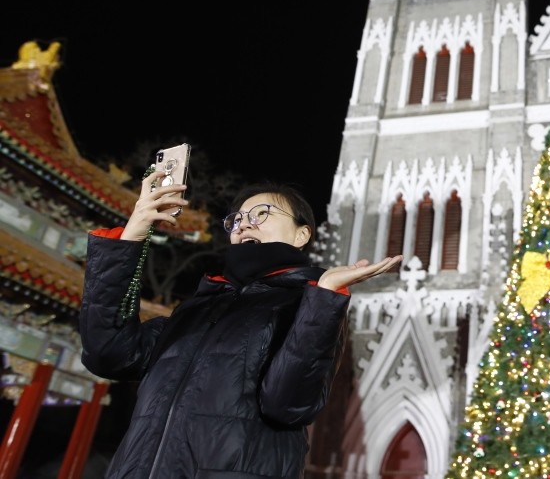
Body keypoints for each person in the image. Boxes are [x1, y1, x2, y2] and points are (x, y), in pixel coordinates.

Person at [78, 171, 402, 478]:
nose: (245, 224)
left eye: (262, 214)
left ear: (302, 234)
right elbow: (108, 353)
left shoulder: (307, 305)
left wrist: (325, 297)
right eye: (237, 219)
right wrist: (132, 236)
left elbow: (287, 406)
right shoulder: (195, 309)